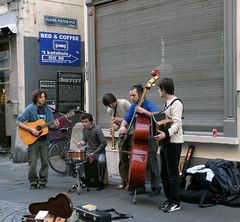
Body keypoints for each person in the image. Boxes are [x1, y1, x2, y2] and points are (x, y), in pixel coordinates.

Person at [119, 84, 161, 197]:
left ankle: (156, 187)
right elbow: (126, 119)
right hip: (138, 138)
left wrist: (143, 111)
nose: (131, 98)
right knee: (138, 163)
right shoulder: (133, 106)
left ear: (141, 94)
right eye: (130, 95)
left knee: (152, 163)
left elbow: (156, 117)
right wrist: (123, 126)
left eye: (133, 95)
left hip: (150, 137)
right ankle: (139, 186)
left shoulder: (149, 104)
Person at [16, 89, 59, 190]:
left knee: (45, 162)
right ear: (36, 98)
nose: (43, 99)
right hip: (32, 140)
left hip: (44, 140)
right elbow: (18, 121)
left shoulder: (48, 109)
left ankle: (43, 181)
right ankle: (33, 182)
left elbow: (51, 127)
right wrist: (31, 129)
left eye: (44, 97)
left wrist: (56, 126)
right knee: (33, 162)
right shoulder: (30, 109)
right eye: (41, 97)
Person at [154, 78, 184, 213]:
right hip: (166, 142)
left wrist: (165, 134)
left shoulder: (176, 103)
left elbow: (177, 124)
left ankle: (175, 202)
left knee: (172, 174)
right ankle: (170, 199)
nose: (158, 91)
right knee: (164, 174)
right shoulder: (167, 103)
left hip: (173, 143)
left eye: (159, 89)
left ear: (165, 89)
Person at [102, 93, 131, 189]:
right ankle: (124, 181)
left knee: (132, 159)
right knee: (122, 159)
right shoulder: (110, 110)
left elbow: (135, 117)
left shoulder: (124, 103)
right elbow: (117, 124)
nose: (111, 106)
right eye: (109, 105)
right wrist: (113, 128)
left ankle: (131, 182)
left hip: (132, 133)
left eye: (112, 103)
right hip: (122, 135)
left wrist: (121, 119)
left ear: (115, 100)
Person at [77, 113, 107, 191]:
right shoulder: (84, 129)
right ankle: (84, 179)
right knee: (78, 161)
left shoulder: (97, 129)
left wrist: (94, 153)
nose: (84, 123)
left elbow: (104, 143)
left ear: (91, 121)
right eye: (83, 122)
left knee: (101, 161)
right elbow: (85, 140)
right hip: (89, 150)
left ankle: (101, 181)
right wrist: (81, 143)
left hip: (99, 151)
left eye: (86, 122)